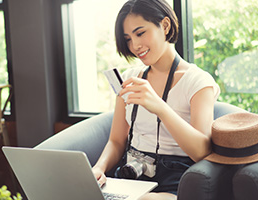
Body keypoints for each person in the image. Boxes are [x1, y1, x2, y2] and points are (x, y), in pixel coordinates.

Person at [92, 0, 220, 199]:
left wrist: (160, 107)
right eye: (127, 39)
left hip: (175, 180)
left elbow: (201, 151)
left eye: (140, 33)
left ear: (165, 25)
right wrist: (98, 169)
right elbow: (117, 141)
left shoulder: (197, 81)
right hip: (131, 176)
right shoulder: (129, 78)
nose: (135, 46)